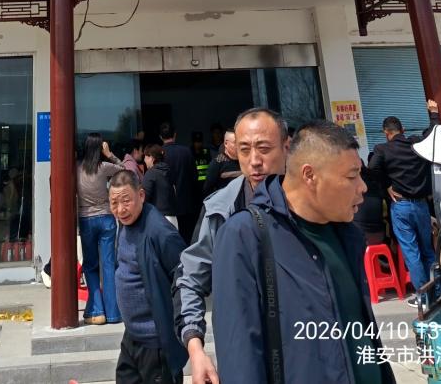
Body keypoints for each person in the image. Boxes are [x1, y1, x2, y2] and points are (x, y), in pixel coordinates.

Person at [212, 121, 395, 384]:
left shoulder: (347, 234)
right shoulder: (245, 234)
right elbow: (239, 355)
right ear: (310, 175)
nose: (362, 187)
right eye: (352, 176)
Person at [174, 108, 289, 384]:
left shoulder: (314, 204)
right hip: (242, 360)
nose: (254, 161)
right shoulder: (219, 209)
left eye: (264, 149)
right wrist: (195, 348)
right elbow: (189, 278)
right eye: (244, 150)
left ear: (287, 147)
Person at [108, 171, 187, 384]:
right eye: (114, 203)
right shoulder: (124, 223)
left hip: (156, 342)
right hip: (132, 336)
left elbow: (185, 278)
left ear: (141, 195)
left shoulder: (160, 232)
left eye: (126, 201)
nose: (120, 209)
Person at [368, 99, 441, 296]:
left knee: (411, 253)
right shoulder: (416, 144)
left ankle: (423, 296)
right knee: (428, 250)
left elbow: (372, 169)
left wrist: (387, 186)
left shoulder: (382, 149)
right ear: (403, 130)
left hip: (400, 206)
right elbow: (432, 133)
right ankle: (437, 291)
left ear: (386, 132)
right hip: (422, 205)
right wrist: (434, 113)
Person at [76, 132, 124, 325]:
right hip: (106, 218)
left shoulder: (77, 168)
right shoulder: (104, 167)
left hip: (86, 219)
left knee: (90, 265)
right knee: (109, 265)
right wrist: (109, 154)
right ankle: (113, 313)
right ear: (99, 148)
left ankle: (97, 310)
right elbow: (125, 170)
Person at [159, 123, 197, 243]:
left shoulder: (159, 153)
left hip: (168, 206)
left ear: (160, 137)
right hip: (187, 204)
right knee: (188, 239)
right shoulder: (186, 151)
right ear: (175, 134)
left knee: (171, 242)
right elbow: (194, 177)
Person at [142, 145, 179, 226]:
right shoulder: (169, 171)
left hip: (159, 219)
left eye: (145, 157)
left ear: (152, 158)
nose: (144, 160)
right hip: (173, 218)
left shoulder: (151, 173)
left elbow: (144, 197)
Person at [201, 129, 240, 198]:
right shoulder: (217, 163)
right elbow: (207, 190)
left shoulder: (244, 161)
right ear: (226, 144)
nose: (238, 146)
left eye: (240, 142)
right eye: (235, 142)